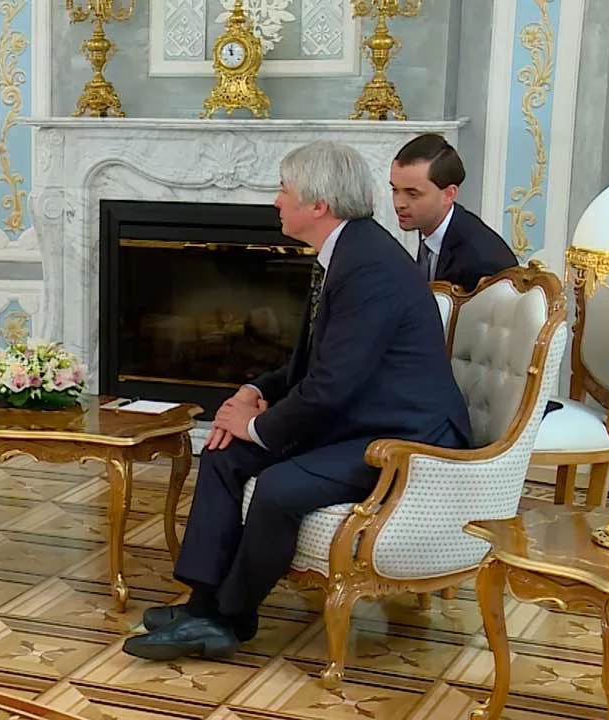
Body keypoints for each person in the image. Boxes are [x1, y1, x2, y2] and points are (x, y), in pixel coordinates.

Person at [122, 141, 472, 661]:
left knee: (279, 486)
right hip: (360, 415)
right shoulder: (346, 251)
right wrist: (256, 391)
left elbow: (331, 386)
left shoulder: (369, 267)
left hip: (405, 435)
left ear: (318, 204)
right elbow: (314, 365)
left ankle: (229, 618)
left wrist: (256, 427)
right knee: (222, 454)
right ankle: (202, 604)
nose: (276, 201)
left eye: (284, 190)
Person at [390, 133, 517, 291]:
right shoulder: (429, 225)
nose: (399, 204)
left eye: (412, 194)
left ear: (449, 194)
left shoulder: (480, 262)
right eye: (395, 190)